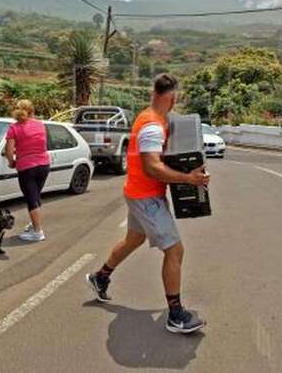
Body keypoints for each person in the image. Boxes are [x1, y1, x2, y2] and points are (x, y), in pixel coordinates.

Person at [86, 74, 210, 334]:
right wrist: (189, 178)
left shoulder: (152, 117)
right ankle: (175, 315)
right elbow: (152, 166)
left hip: (137, 192)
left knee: (134, 239)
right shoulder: (153, 126)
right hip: (146, 197)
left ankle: (100, 276)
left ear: (154, 93)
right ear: (172, 97)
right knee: (175, 251)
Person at [5, 100, 51, 242]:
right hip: (44, 164)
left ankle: (38, 232)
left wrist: (12, 162)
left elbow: (8, 150)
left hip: (26, 166)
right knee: (36, 196)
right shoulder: (40, 125)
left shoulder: (14, 128)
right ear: (32, 111)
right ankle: (34, 224)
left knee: (31, 199)